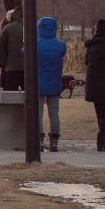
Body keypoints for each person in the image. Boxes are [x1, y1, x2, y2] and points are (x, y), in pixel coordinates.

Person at [83, 20, 105, 152]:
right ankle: (102, 137)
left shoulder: (91, 46)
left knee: (99, 112)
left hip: (94, 81)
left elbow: (87, 61)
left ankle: (103, 138)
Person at [34, 16, 67, 152]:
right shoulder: (60, 45)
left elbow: (24, 53)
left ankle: (39, 139)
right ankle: (54, 140)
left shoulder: (34, 44)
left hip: (38, 83)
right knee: (54, 113)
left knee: (38, 113)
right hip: (54, 82)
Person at [0, 8, 25, 91]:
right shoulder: (31, 27)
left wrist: (4, 63)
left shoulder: (7, 28)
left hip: (11, 68)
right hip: (28, 69)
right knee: (28, 97)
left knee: (10, 96)